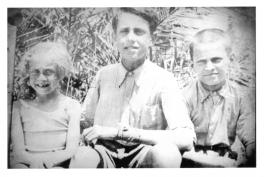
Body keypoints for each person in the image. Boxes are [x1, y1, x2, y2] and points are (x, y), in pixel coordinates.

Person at [70, 8, 196, 168]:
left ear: (152, 38)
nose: (130, 38)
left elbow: (185, 138)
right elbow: (84, 122)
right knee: (82, 157)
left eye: (139, 32)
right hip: (104, 152)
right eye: (124, 32)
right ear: (114, 38)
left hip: (145, 154)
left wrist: (127, 134)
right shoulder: (104, 75)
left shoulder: (164, 79)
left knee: (167, 154)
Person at [181, 28, 256, 167]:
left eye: (216, 60)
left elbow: (253, 140)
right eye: (202, 61)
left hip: (227, 161)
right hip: (190, 161)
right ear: (192, 65)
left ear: (230, 60)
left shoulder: (241, 97)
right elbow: (179, 145)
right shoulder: (183, 97)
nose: (209, 67)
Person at [10, 42, 81, 168]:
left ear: (60, 73)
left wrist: (47, 162)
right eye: (35, 72)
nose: (41, 78)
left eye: (48, 72)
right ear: (27, 74)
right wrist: (35, 163)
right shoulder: (18, 107)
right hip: (27, 165)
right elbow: (19, 152)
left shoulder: (71, 106)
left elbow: (71, 150)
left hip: (57, 164)